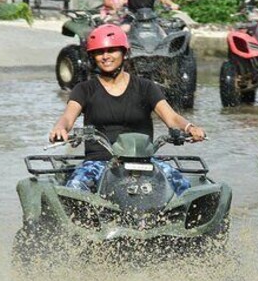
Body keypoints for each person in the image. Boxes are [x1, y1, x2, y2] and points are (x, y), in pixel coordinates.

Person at [49, 24, 206, 193]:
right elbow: (68, 117)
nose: (105, 56)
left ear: (124, 52)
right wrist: (60, 128)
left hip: (144, 161)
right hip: (99, 161)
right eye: (99, 52)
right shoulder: (84, 89)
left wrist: (189, 127)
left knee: (182, 185)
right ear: (92, 57)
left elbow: (172, 117)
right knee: (75, 188)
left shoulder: (146, 87)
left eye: (112, 50)